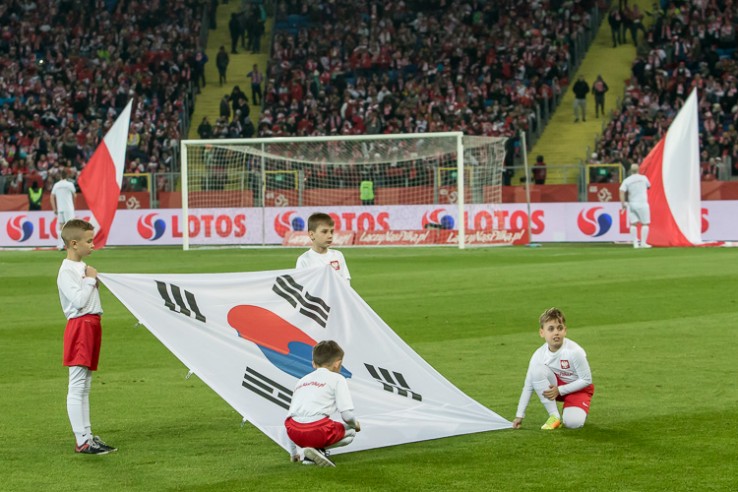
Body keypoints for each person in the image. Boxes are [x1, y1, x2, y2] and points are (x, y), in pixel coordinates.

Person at [57, 219, 117, 455]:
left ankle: (87, 436)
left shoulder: (82, 268)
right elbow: (79, 301)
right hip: (80, 326)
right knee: (78, 384)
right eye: (89, 241)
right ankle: (82, 439)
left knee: (85, 384)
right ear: (74, 244)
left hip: (91, 325)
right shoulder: (67, 271)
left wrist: (92, 281)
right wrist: (91, 279)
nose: (93, 245)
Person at [512, 307, 594, 431]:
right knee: (537, 370)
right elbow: (528, 385)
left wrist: (560, 390)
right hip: (555, 387)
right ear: (542, 332)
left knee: (573, 424)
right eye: (551, 329)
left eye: (559, 328)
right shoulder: (538, 354)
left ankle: (576, 410)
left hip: (578, 389)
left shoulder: (575, 351)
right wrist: (519, 415)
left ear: (565, 331)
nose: (556, 332)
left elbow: (586, 380)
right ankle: (554, 416)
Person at [284, 340, 360, 467]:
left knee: (318, 426)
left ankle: (309, 455)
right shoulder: (338, 379)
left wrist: (293, 454)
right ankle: (317, 449)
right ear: (337, 363)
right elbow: (347, 415)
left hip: (294, 431)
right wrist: (355, 424)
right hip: (317, 430)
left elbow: (290, 417)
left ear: (313, 363)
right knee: (351, 432)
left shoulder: (301, 381)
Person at [296, 213, 351, 283]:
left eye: (331, 232)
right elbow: (301, 286)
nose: (330, 236)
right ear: (311, 234)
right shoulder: (304, 260)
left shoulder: (338, 255)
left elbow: (346, 282)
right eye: (324, 232)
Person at [619, 163, 652, 248]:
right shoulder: (643, 178)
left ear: (630, 170)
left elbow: (621, 191)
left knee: (633, 224)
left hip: (632, 204)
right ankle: (643, 243)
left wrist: (623, 203)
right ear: (638, 169)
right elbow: (649, 186)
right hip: (642, 203)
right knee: (645, 223)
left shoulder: (627, 180)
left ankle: (635, 243)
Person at [50, 169, 77, 250]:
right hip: (68, 208)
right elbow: (75, 195)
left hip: (60, 209)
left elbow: (51, 197)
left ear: (60, 176)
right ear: (67, 176)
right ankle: (71, 245)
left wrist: (54, 208)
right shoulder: (70, 184)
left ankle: (60, 245)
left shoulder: (56, 185)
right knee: (71, 227)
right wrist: (73, 205)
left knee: (61, 226)